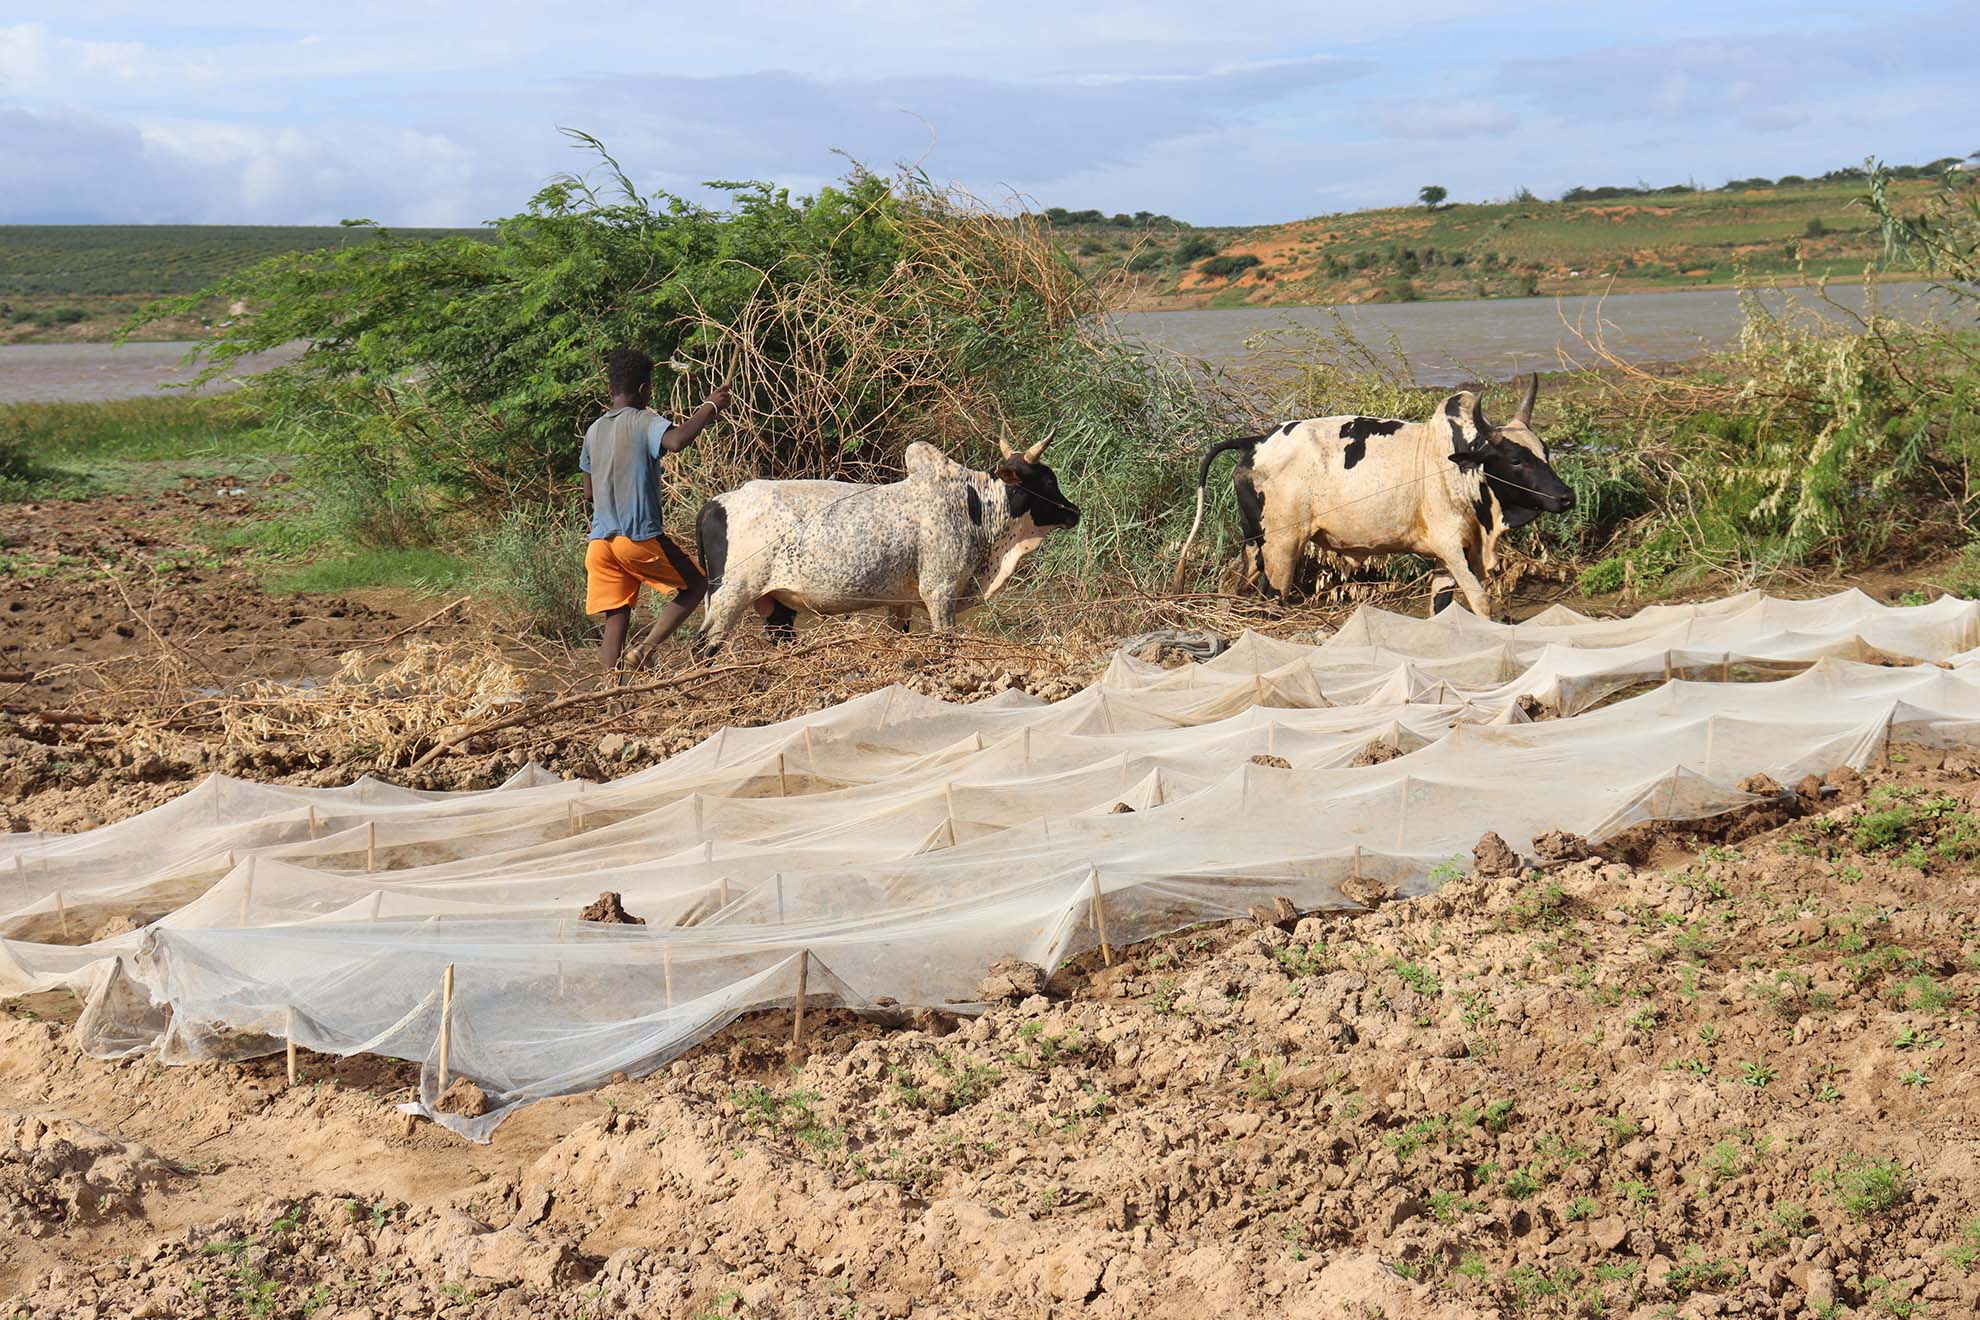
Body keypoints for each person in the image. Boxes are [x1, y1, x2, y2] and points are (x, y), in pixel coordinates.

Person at [580, 347, 730, 673]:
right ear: (644, 390)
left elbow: (588, 493)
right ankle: (645, 650)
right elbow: (676, 441)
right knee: (696, 584)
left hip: (599, 544)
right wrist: (710, 407)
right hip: (636, 537)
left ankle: (609, 692)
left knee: (616, 615)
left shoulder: (593, 431)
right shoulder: (644, 420)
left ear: (610, 389)